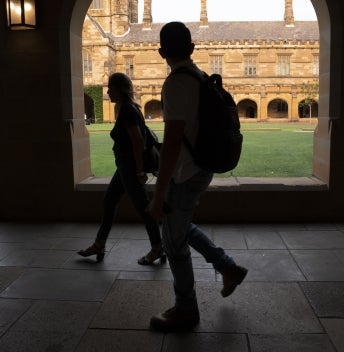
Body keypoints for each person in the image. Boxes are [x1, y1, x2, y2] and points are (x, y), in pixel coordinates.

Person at [148, 22, 248, 332]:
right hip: (202, 166)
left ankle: (186, 310)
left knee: (173, 243)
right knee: (181, 226)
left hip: (187, 171)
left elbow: (173, 142)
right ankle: (228, 268)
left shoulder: (176, 83)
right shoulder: (200, 76)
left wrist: (158, 191)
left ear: (162, 52)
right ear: (192, 49)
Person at [77, 72, 165, 266]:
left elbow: (137, 141)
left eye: (111, 88)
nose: (108, 92)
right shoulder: (130, 107)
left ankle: (158, 247)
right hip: (124, 167)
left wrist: (140, 171)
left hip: (130, 168)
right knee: (109, 202)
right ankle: (99, 244)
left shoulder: (127, 109)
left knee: (144, 208)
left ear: (120, 90)